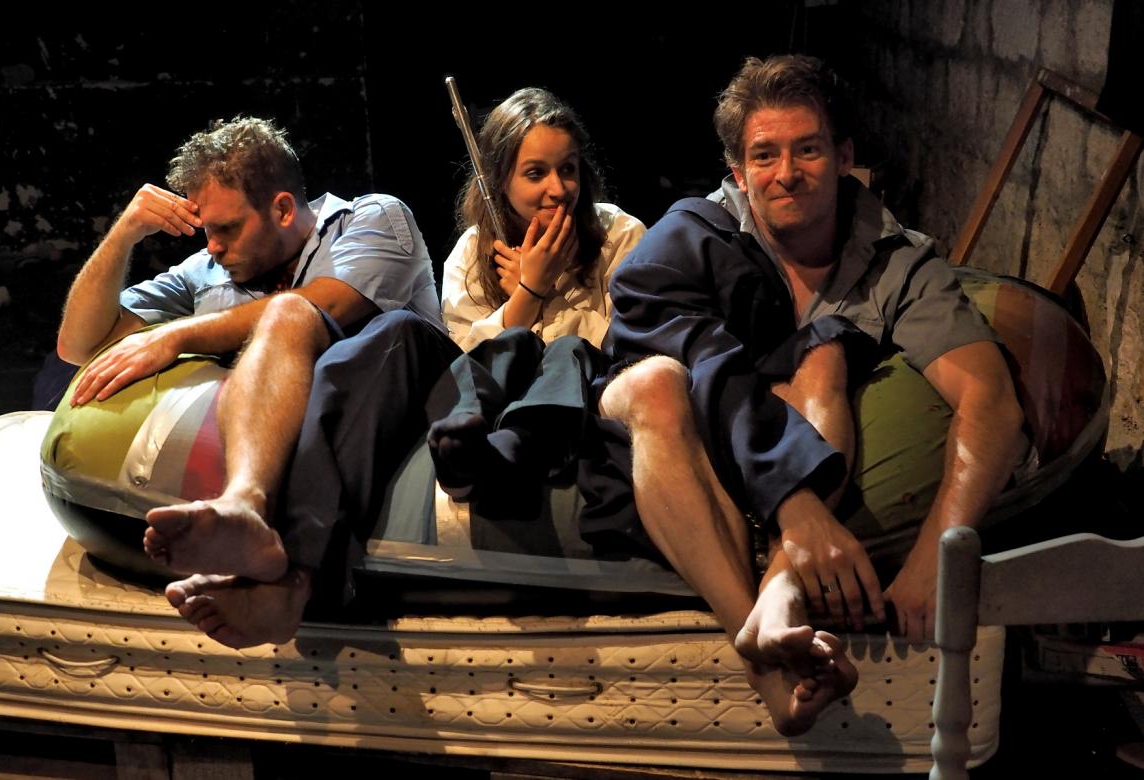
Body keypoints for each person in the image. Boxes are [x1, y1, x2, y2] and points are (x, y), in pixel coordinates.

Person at [594, 55, 1025, 736]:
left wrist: (934, 557)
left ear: (845, 157)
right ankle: (762, 657)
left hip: (779, 452)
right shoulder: (695, 236)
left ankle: (779, 596)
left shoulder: (895, 263)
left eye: (808, 150)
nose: (787, 173)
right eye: (764, 155)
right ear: (739, 172)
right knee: (657, 381)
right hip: (664, 418)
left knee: (826, 354)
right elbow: (701, 369)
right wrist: (798, 511)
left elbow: (991, 398)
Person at [56, 116, 445, 643]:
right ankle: (255, 535)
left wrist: (178, 335)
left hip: (408, 398)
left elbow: (331, 304)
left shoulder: (371, 218)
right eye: (207, 230)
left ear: (282, 209)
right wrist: (124, 233)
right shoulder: (207, 270)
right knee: (282, 320)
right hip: (301, 450)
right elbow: (78, 344)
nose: (213, 246)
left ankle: (257, 525)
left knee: (290, 313)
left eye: (228, 229)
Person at [429, 88, 644, 514]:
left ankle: (516, 446)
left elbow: (627, 350)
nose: (558, 188)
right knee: (510, 346)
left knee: (569, 349)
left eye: (568, 169)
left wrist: (541, 292)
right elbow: (467, 361)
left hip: (588, 411)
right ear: (499, 181)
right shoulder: (471, 254)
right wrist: (528, 296)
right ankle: (462, 453)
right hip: (495, 408)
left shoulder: (620, 235)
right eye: (535, 173)